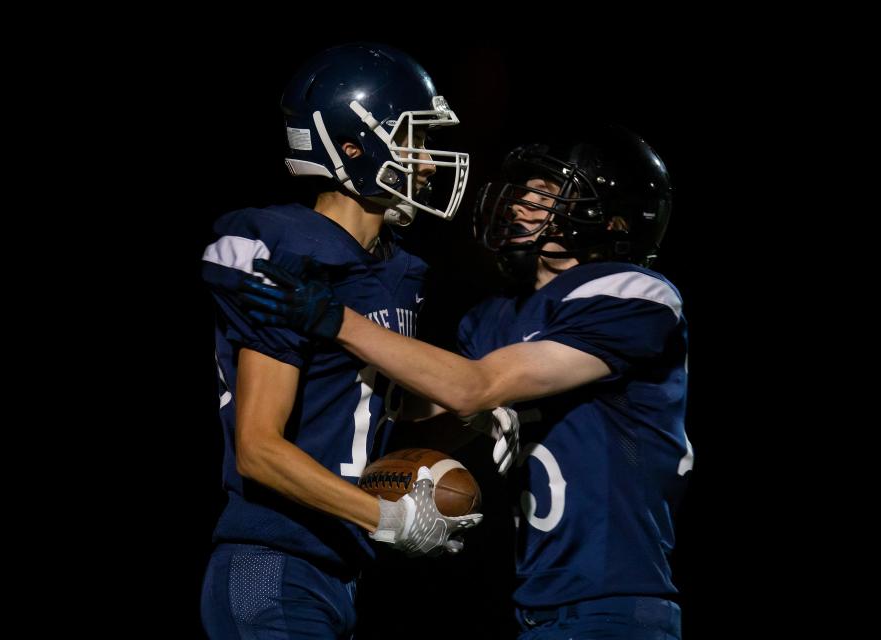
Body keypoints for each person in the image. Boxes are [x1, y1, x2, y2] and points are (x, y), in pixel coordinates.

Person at [231, 125, 694, 639]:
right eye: (522, 191)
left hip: (617, 601)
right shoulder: (494, 318)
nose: (520, 205)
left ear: (610, 218)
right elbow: (434, 408)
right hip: (533, 604)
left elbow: (475, 385)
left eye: (545, 194)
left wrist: (337, 320)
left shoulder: (636, 296)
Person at [198, 42, 481, 640]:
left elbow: (366, 406)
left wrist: (473, 412)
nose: (427, 161)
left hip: (339, 569)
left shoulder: (395, 270)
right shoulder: (291, 254)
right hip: (271, 559)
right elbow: (257, 447)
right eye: (412, 140)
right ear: (352, 146)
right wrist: (387, 518)